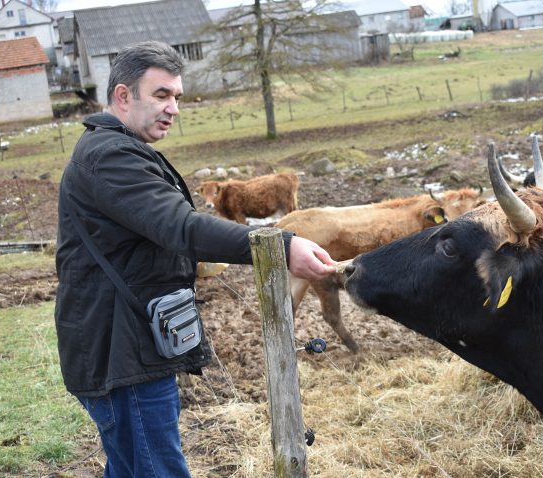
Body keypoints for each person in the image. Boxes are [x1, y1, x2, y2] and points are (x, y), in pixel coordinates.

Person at [54, 40, 336, 477]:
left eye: (177, 97)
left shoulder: (114, 149)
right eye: (161, 95)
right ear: (123, 96)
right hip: (122, 355)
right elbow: (180, 226)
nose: (173, 108)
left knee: (131, 468)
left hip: (119, 346)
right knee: (155, 470)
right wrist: (280, 246)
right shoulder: (110, 156)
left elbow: (153, 233)